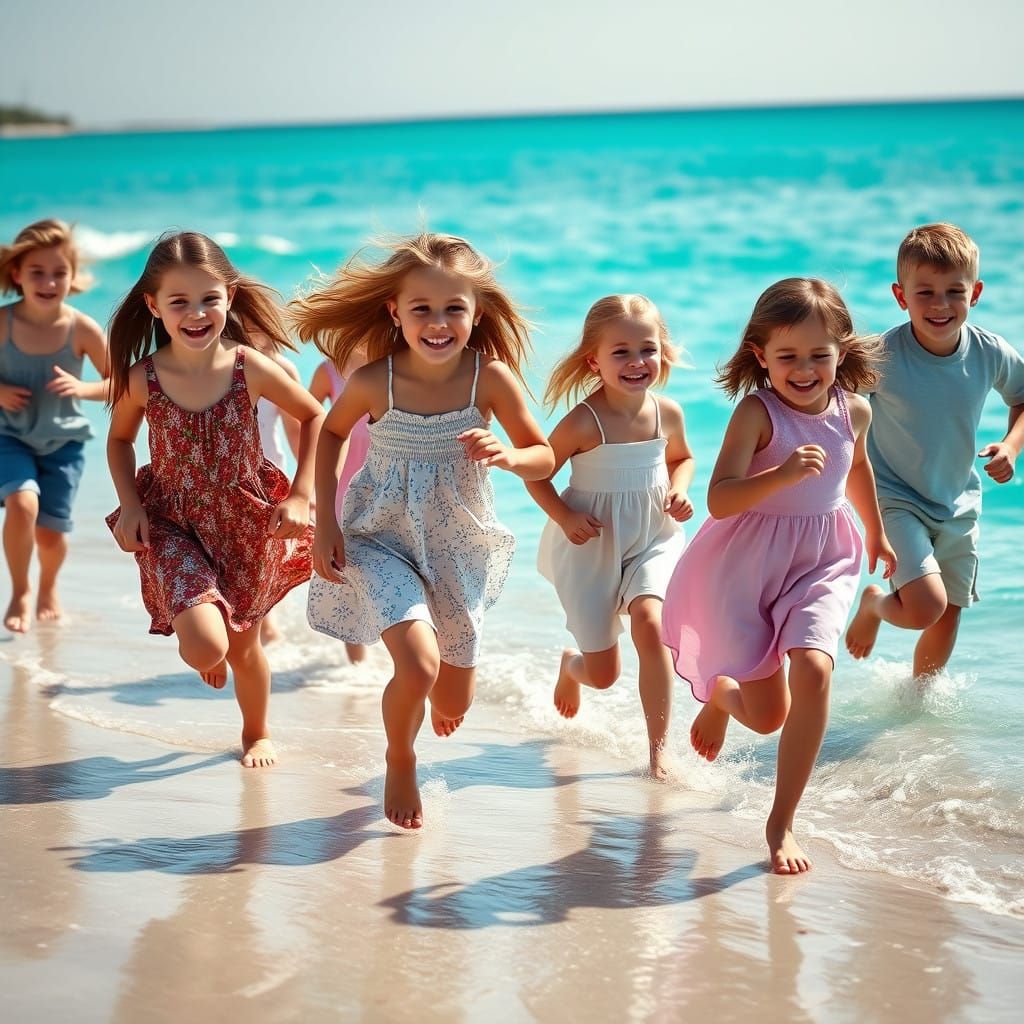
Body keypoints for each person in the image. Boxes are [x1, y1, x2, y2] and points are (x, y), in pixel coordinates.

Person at [289, 232, 554, 828]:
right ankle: (400, 756)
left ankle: (418, 713)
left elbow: (543, 455)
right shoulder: (373, 381)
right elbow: (330, 435)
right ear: (395, 313)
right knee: (418, 666)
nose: (439, 323)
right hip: (378, 537)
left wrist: (510, 457)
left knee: (453, 697)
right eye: (422, 310)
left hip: (457, 549)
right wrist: (324, 520)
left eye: (454, 309)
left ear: (476, 312)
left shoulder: (491, 379)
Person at [661, 278, 896, 874]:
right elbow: (719, 498)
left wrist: (877, 532)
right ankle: (722, 693)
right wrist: (783, 475)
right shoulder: (756, 413)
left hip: (823, 557)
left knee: (815, 667)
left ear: (842, 351)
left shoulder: (855, 409)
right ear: (760, 355)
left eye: (819, 354)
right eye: (787, 356)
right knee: (768, 718)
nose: (804, 368)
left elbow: (858, 467)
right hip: (750, 562)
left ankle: (781, 821)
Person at [105, 231, 324, 768]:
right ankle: (204, 640)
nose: (196, 313)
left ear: (229, 296)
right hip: (172, 520)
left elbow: (315, 416)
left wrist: (301, 493)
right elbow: (118, 440)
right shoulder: (145, 377)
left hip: (246, 523)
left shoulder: (250, 366)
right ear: (153, 306)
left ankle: (256, 732)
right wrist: (130, 504)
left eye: (209, 299)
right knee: (208, 646)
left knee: (244, 649)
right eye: (179, 301)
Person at [845, 223, 1024, 677]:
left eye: (953, 291)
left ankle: (916, 707)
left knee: (949, 612)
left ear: (976, 292)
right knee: (926, 606)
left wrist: (1010, 446)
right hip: (896, 498)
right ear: (901, 296)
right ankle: (876, 606)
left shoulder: (990, 352)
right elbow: (837, 409)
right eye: (924, 292)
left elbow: (1021, 396)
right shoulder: (881, 356)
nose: (940, 304)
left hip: (959, 501)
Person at [528, 295, 694, 780]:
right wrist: (562, 516)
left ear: (662, 353)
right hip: (590, 544)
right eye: (620, 352)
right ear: (593, 361)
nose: (637, 362)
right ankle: (573, 666)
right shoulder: (584, 421)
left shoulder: (669, 413)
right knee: (604, 675)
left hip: (653, 536)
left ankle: (659, 751)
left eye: (647, 349)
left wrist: (680, 491)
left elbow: (681, 459)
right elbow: (538, 473)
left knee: (651, 620)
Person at [0, 219, 110, 633]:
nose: (49, 282)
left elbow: (120, 385)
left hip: (63, 441)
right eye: (37, 273)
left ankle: (48, 586)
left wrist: (83, 388)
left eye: (59, 273)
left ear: (73, 275)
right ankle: (20, 590)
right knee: (22, 503)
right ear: (17, 274)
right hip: (8, 435)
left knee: (49, 533)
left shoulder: (82, 328)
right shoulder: (4, 322)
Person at [308, 347, 370, 663]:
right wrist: (306, 485)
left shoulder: (391, 366)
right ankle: (358, 668)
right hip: (340, 488)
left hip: (382, 488)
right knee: (345, 576)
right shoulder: (328, 371)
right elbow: (306, 421)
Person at [250, 332, 303, 646]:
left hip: (271, 475)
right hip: (232, 477)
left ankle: (266, 626)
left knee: (264, 551)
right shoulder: (226, 368)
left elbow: (296, 430)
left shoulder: (282, 369)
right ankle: (262, 625)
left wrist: (303, 488)